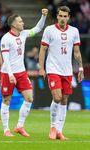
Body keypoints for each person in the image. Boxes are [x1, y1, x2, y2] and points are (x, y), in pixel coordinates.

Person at [0, 9, 48, 137]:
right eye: (21, 21)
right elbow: (6, 59)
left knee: (29, 98)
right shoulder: (6, 38)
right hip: (7, 73)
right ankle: (6, 130)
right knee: (6, 100)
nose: (23, 23)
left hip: (21, 72)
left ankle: (19, 126)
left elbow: (38, 28)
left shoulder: (24, 34)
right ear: (14, 25)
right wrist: (10, 75)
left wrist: (43, 16)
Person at [39, 6, 84, 140]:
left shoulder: (74, 31)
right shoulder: (49, 30)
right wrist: (41, 68)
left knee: (64, 100)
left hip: (67, 70)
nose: (62, 19)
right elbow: (42, 50)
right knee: (57, 98)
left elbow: (76, 52)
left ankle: (59, 131)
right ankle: (53, 127)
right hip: (53, 69)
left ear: (69, 17)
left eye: (65, 16)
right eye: (60, 16)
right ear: (57, 16)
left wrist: (80, 69)